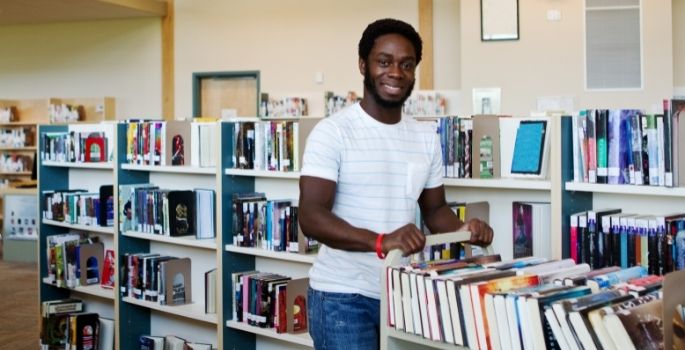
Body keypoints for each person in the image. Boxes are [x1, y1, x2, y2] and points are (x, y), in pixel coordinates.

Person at [298, 18, 494, 349]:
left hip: (403, 293)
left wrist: (466, 231)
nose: (396, 73)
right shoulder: (333, 132)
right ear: (363, 65)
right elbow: (311, 216)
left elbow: (435, 211)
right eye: (384, 62)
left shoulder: (425, 136)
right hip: (342, 298)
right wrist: (381, 241)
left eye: (406, 64)